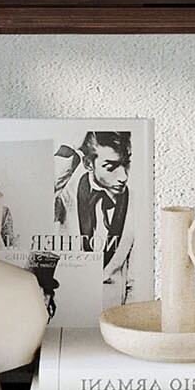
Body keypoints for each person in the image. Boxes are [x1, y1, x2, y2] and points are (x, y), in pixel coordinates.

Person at [55, 130, 134, 305]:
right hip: (69, 306)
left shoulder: (136, 203)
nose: (124, 177)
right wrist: (79, 139)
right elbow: (43, 193)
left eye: (125, 164)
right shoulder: (66, 195)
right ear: (88, 163)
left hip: (113, 314)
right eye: (111, 167)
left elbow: (136, 280)